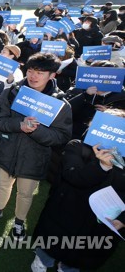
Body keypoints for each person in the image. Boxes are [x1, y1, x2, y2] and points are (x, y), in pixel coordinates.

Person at [0, 52, 73, 241]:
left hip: (34, 158)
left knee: (25, 193)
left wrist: (35, 131)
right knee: (2, 184)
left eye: (40, 72)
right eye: (31, 70)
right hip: (7, 151)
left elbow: (61, 135)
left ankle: (19, 222)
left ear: (52, 76)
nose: (33, 76)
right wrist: (19, 125)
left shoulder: (59, 104)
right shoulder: (12, 92)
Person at [31, 109, 125, 272]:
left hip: (97, 225)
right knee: (49, 246)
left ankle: (66, 268)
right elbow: (74, 177)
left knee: (78, 258)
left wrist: (123, 219)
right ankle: (43, 261)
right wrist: (102, 166)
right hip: (64, 213)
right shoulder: (76, 146)